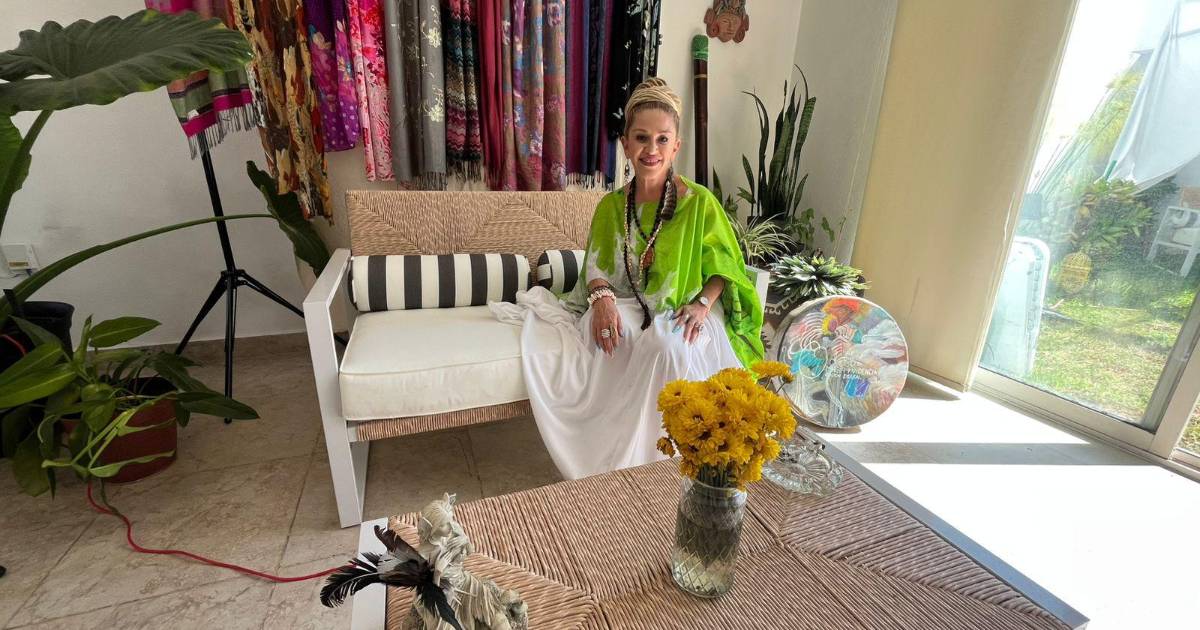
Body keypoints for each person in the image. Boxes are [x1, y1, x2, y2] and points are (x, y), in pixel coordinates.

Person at [491, 78, 764, 479]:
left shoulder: (699, 204)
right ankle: (607, 460)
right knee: (607, 335)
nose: (651, 149)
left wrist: (703, 304)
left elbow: (724, 268)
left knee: (667, 346)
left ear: (676, 146)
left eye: (662, 139)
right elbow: (596, 268)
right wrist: (601, 300)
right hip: (628, 301)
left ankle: (660, 462)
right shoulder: (611, 206)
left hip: (685, 306)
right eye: (641, 138)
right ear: (625, 144)